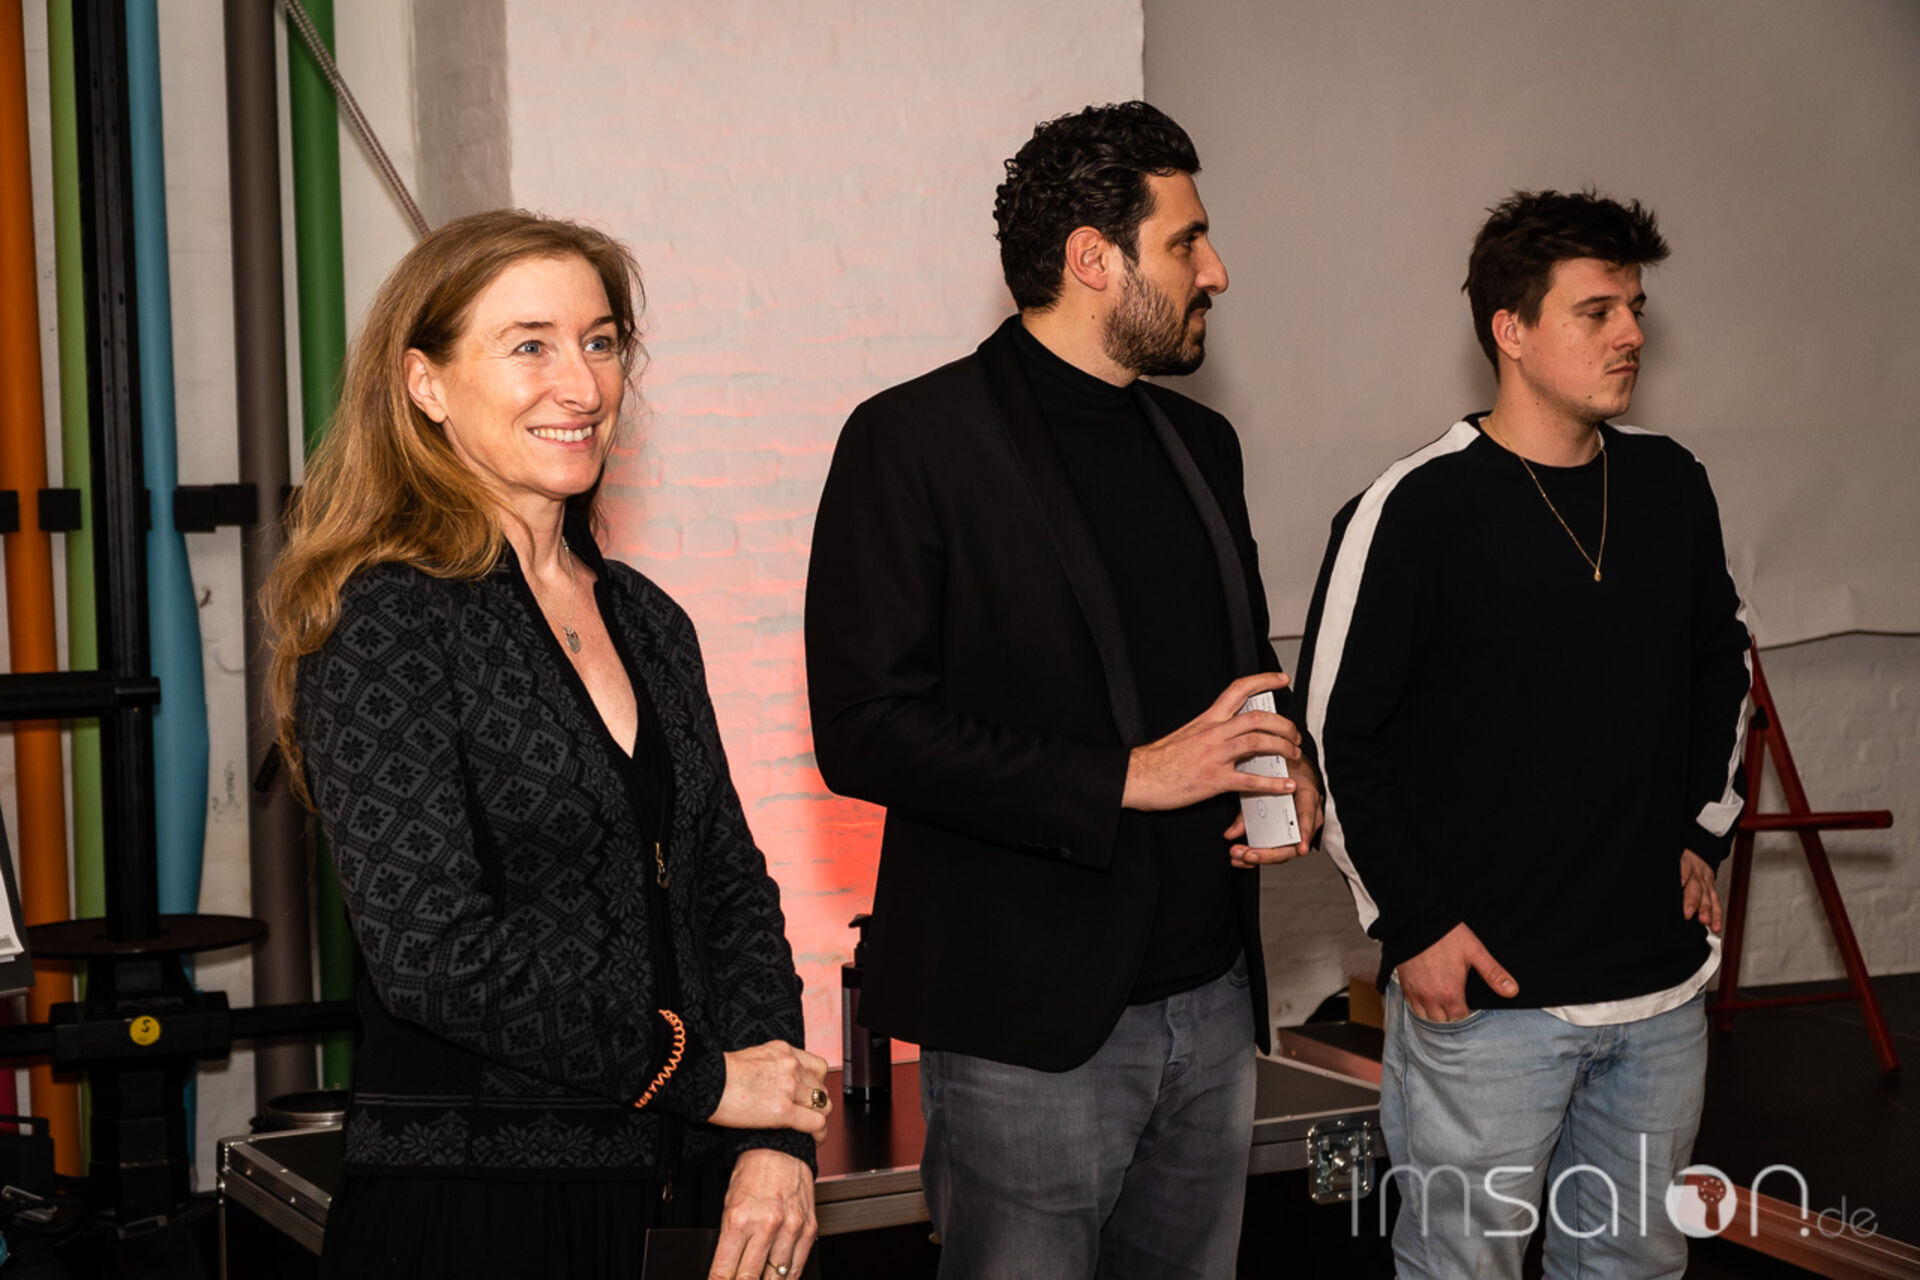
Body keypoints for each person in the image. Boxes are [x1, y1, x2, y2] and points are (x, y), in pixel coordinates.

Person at [806, 102, 1322, 1279]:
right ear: (1095, 259)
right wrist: (1125, 778)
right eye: (1186, 242)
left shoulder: (1203, 445)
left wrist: (1284, 766)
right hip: (1031, 1030)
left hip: (1215, 1000)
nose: (1216, 271)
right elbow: (866, 730)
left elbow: (1230, 669)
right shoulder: (913, 439)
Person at [267, 210, 828, 1280]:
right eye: (530, 345)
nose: (581, 385)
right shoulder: (387, 619)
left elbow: (732, 895)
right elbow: (435, 956)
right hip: (475, 1208)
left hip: (682, 1194)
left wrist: (773, 1140)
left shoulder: (649, 621)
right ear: (426, 384)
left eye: (600, 342)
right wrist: (708, 1079)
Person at [1297, 189, 1751, 1277]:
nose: (1631, 334)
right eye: (1597, 312)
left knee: (1635, 1265)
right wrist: (1414, 924)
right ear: (1511, 327)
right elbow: (1333, 732)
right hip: (1489, 1002)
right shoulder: (1413, 506)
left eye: (1635, 308)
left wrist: (1705, 826)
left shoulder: (1671, 482)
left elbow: (1722, 666)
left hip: (1659, 992)